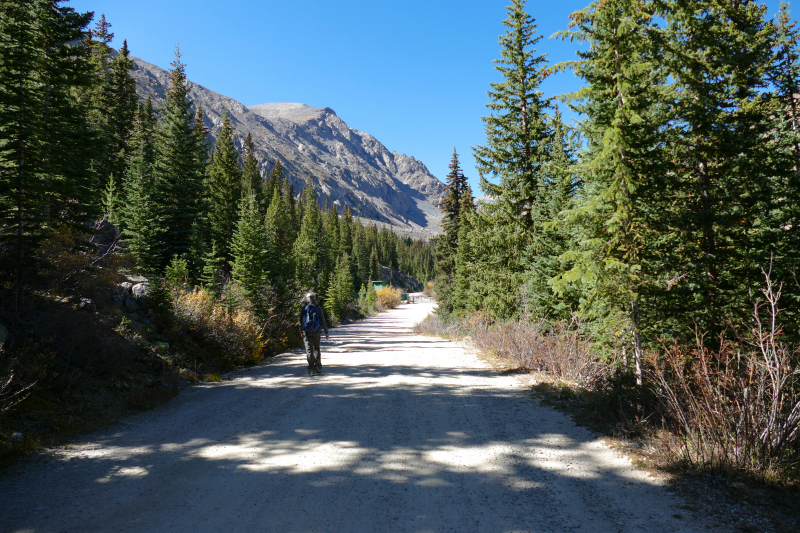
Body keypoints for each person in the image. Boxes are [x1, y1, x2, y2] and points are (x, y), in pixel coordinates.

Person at [299, 291, 329, 375]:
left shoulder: (304, 308)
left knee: (309, 350)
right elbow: (323, 320)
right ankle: (318, 367)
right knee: (316, 348)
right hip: (317, 331)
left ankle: (311, 369)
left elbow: (301, 321)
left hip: (307, 332)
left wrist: (301, 331)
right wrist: (326, 332)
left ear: (307, 299)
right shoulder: (318, 308)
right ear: (314, 298)